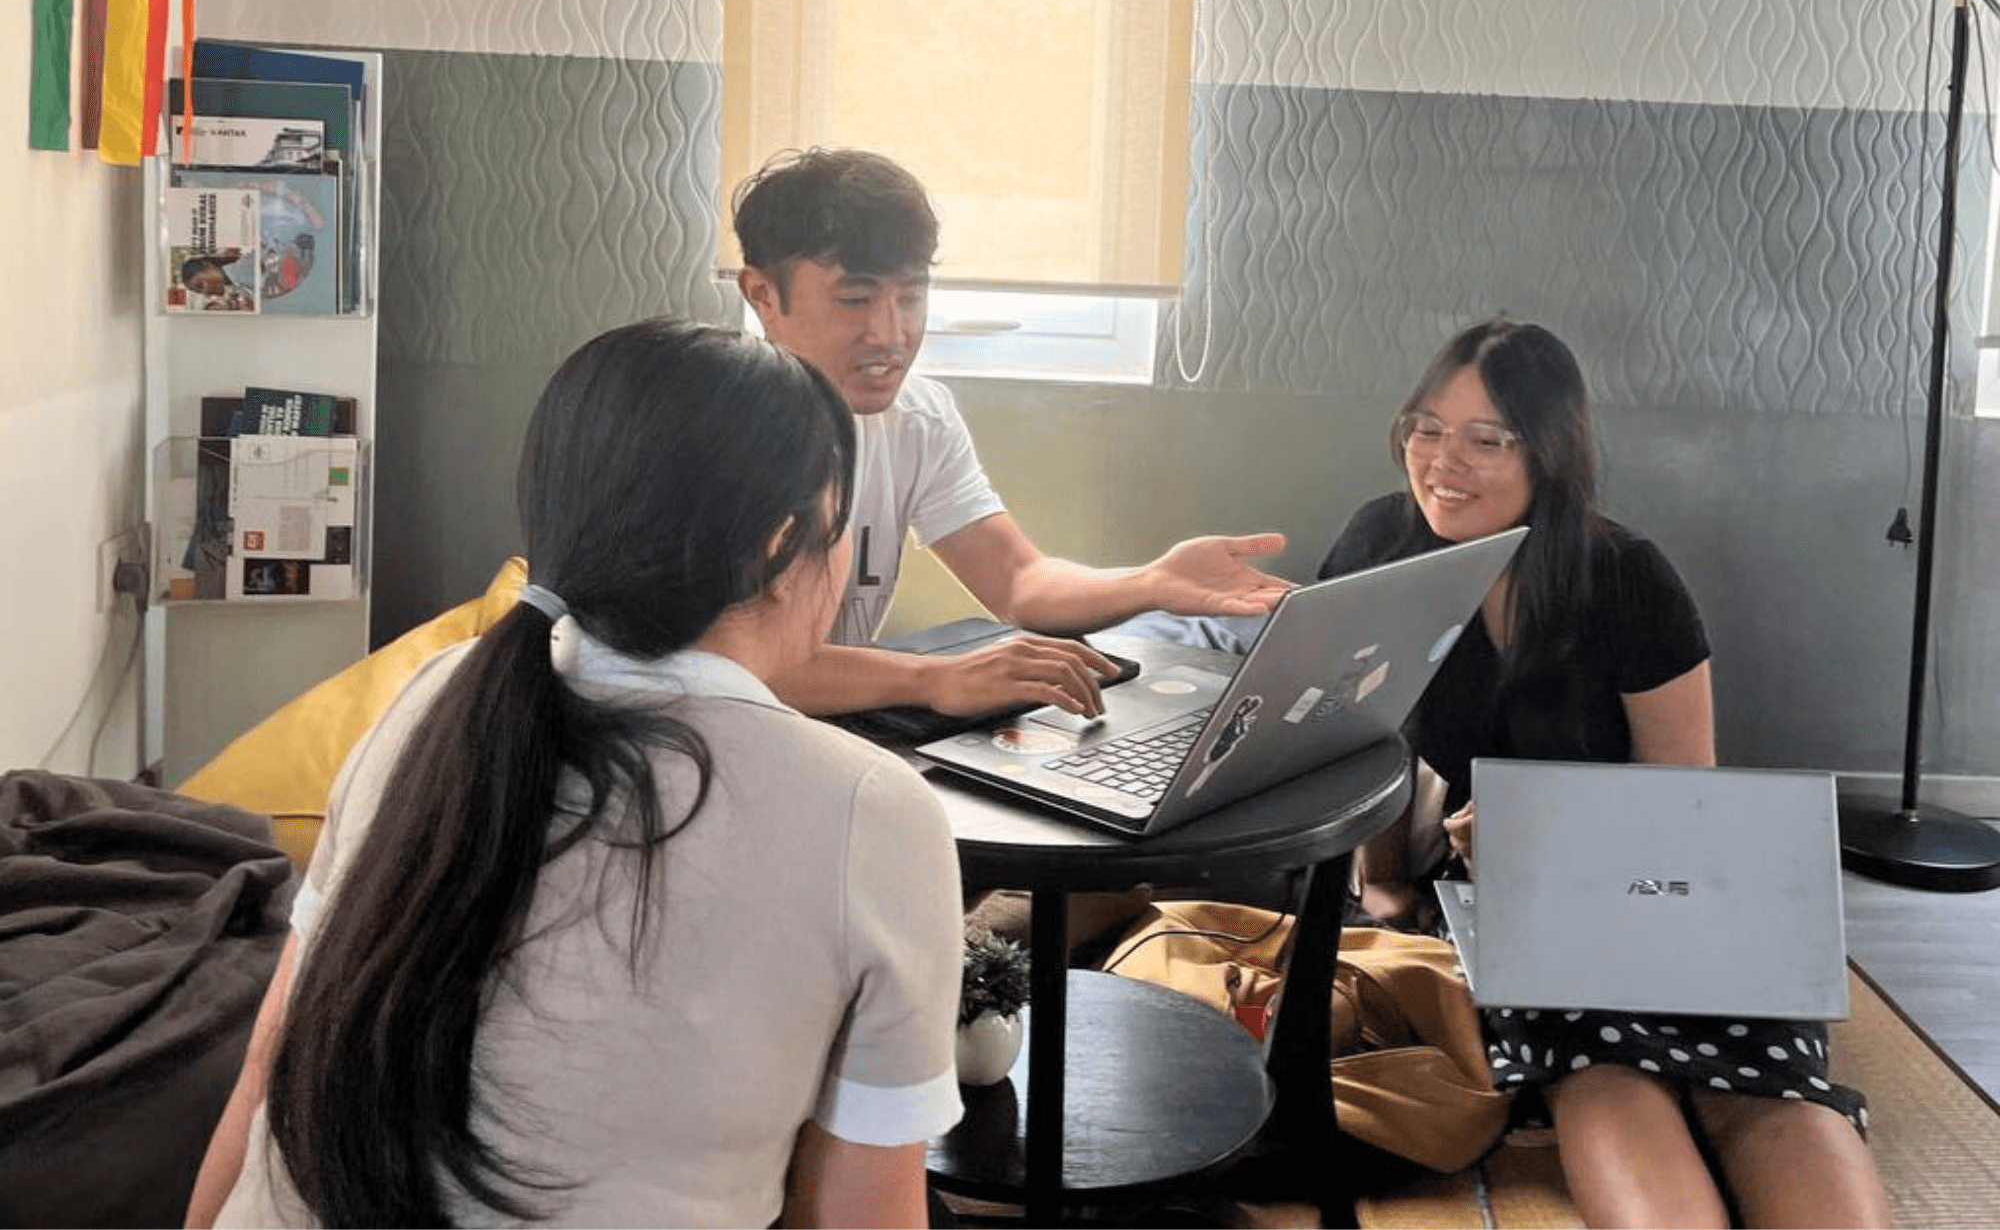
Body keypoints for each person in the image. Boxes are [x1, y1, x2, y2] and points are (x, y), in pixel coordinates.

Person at [185, 319, 965, 1229]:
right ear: (778, 546)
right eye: (843, 531)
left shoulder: (434, 697)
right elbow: (861, 1214)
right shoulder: (872, 812)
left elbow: (266, 1068)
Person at [1330, 317, 1889, 1229]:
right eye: (1425, 428)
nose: (1442, 461)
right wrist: (1386, 878)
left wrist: (1546, 831)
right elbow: (1368, 733)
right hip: (1522, 909)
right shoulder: (1382, 543)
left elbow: (1688, 803)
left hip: (1671, 893)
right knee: (1600, 1073)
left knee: (1768, 1086)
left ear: (1548, 452)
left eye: (1487, 438)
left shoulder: (1628, 577)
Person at [732, 146, 1293, 721]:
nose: (891, 333)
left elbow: (1019, 579)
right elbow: (735, 666)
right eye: (855, 299)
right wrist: (935, 677)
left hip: (838, 730)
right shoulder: (705, 423)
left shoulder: (920, 417)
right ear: (762, 295)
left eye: (911, 297)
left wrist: (1150, 581)